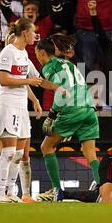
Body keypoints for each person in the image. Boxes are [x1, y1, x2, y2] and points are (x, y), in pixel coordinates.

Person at [34, 34, 100, 201]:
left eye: (36, 53)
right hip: (89, 109)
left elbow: (63, 91)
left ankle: (57, 191)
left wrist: (51, 115)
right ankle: (103, 188)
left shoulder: (49, 67)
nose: (37, 58)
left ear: (42, 52)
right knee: (89, 152)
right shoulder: (67, 63)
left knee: (46, 147)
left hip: (71, 109)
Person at [0, 18, 44, 203]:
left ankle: (9, 192)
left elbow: (25, 81)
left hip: (22, 107)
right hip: (8, 106)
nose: (35, 36)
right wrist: (28, 81)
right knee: (8, 152)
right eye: (33, 32)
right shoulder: (8, 52)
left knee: (20, 154)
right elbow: (4, 80)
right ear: (24, 33)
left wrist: (35, 99)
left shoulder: (23, 54)